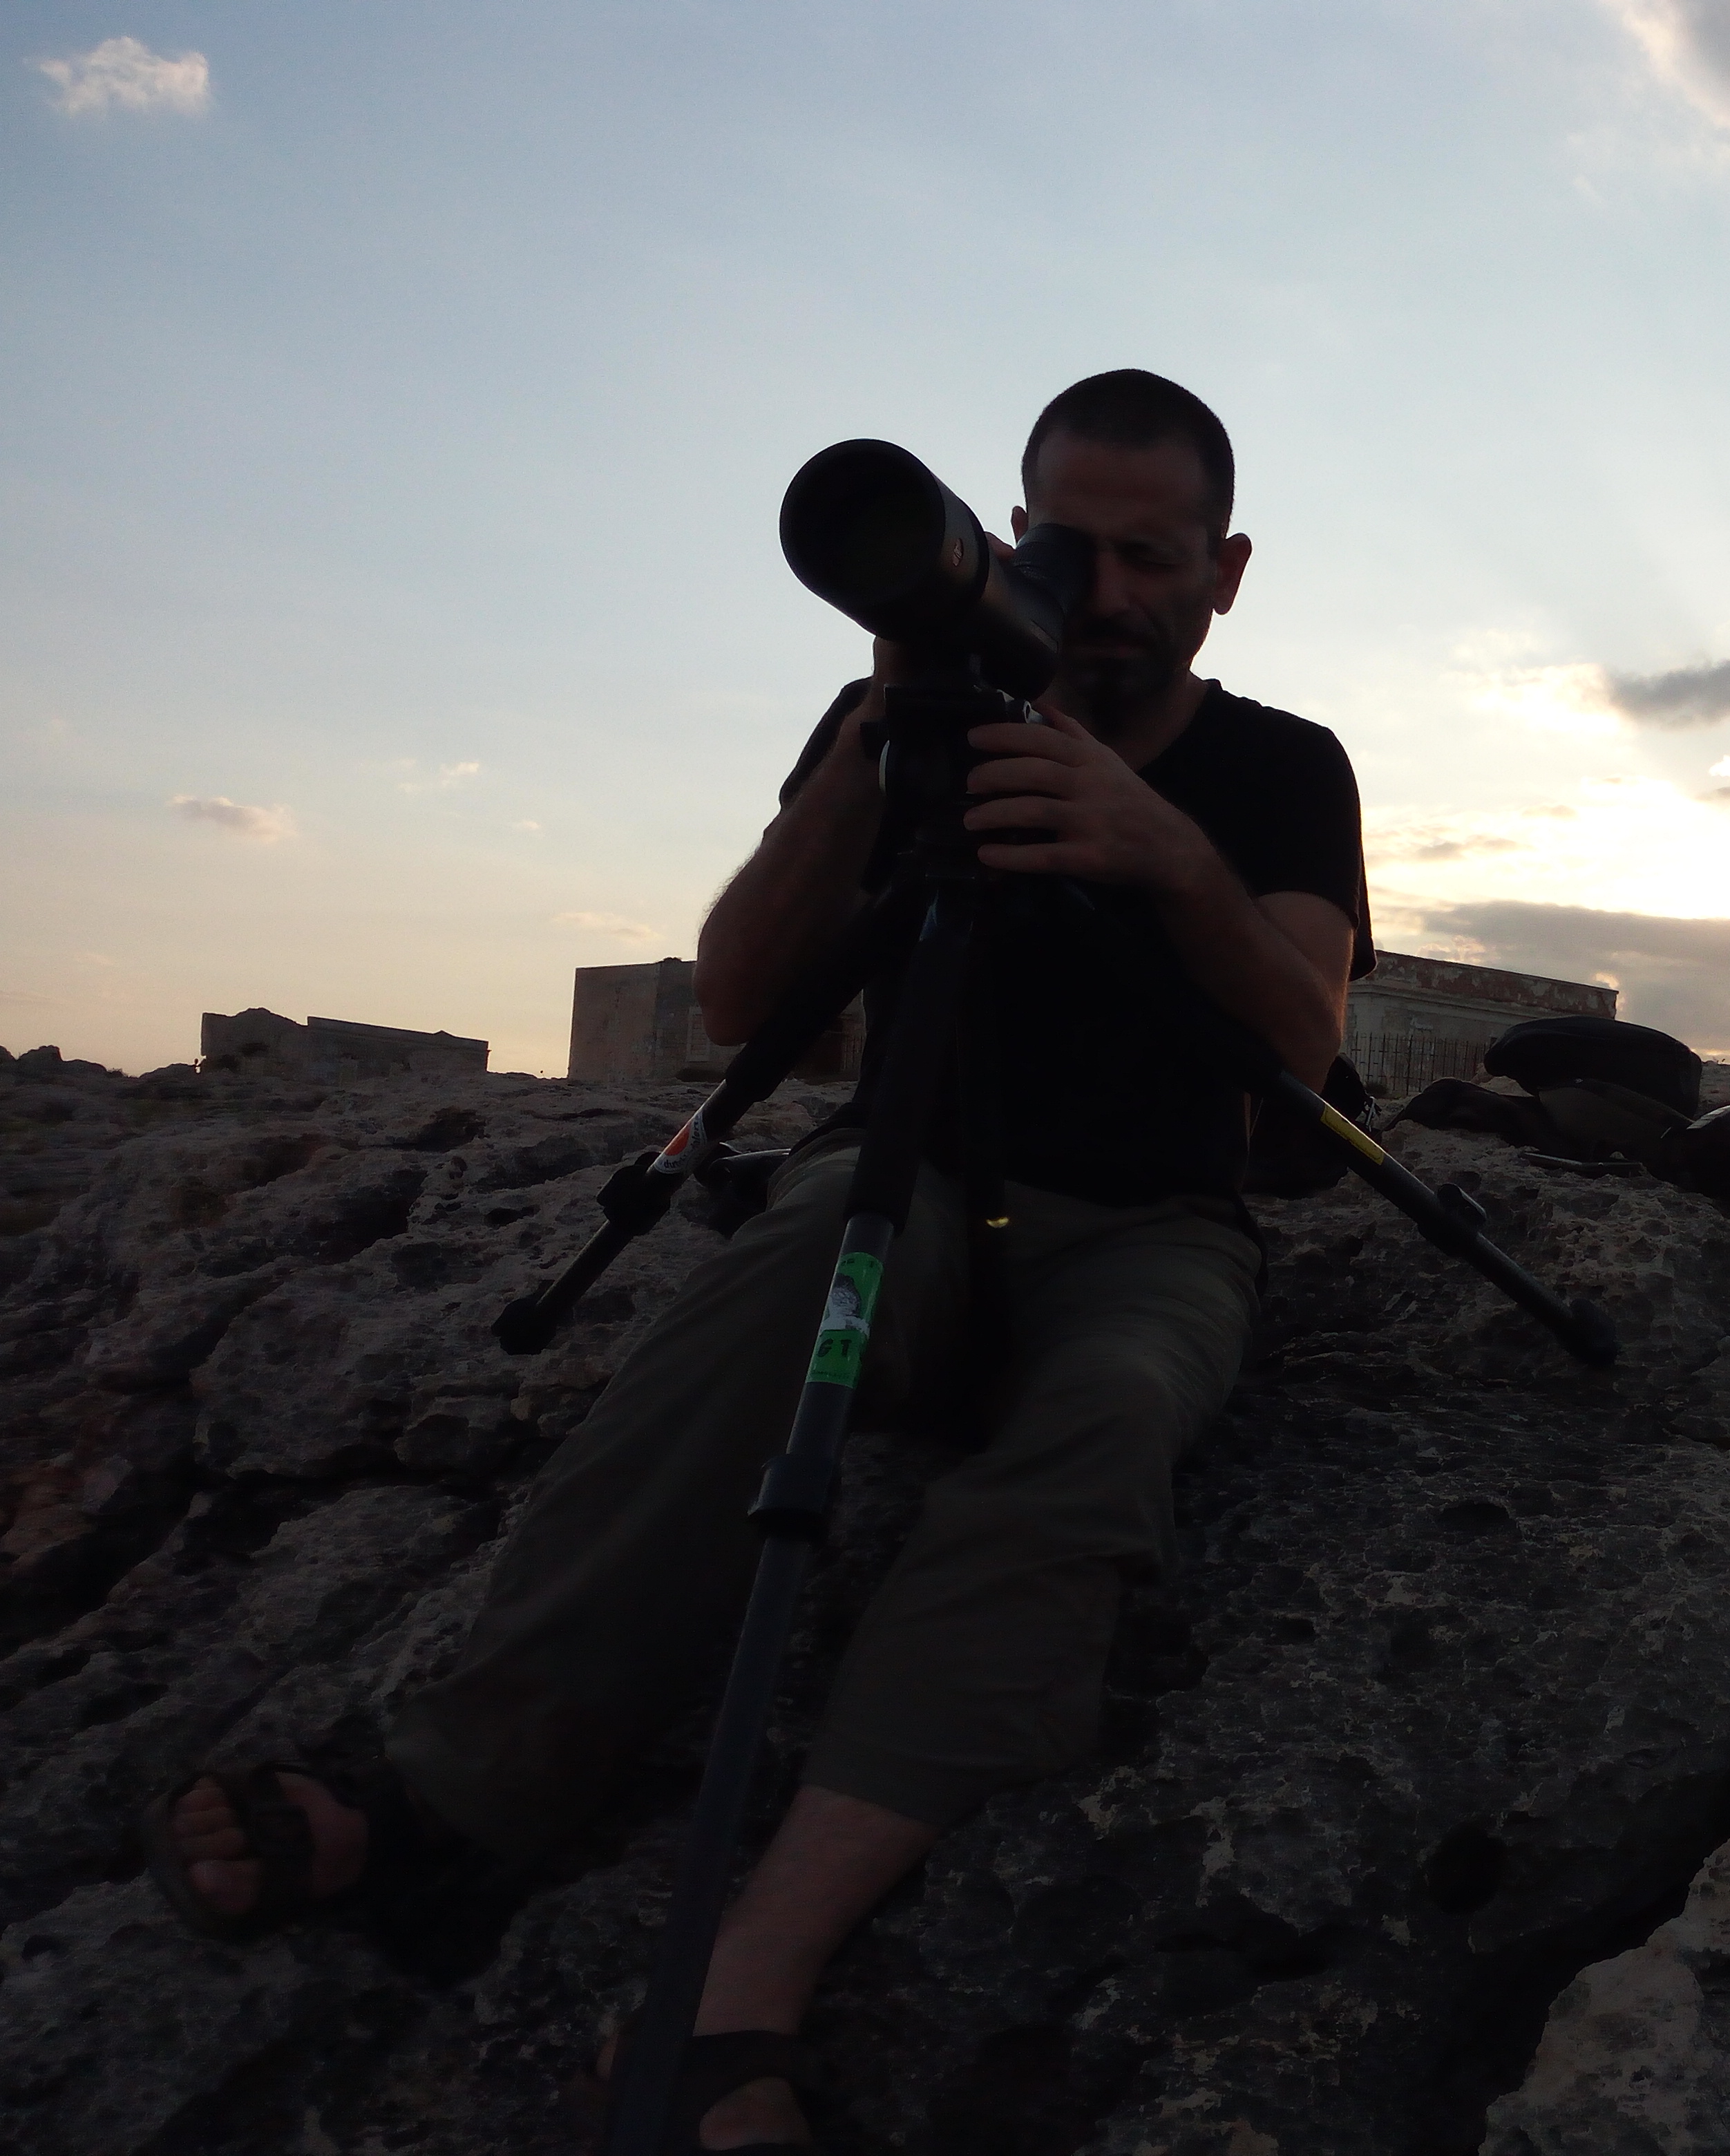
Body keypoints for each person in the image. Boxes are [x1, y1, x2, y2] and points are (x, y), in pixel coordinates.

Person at [142, 370, 1373, 2152]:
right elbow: (747, 1015)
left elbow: (1305, 1045)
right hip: (912, 1173)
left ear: (1228, 571)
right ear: (1006, 536)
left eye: (1146, 557)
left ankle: (748, 1972)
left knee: (1105, 1418)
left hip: (1155, 1224)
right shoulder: (896, 715)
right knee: (755, 1308)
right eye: (1059, 546)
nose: (1097, 595)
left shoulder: (1279, 767)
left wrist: (1165, 857)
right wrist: (881, 745)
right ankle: (456, 1795)